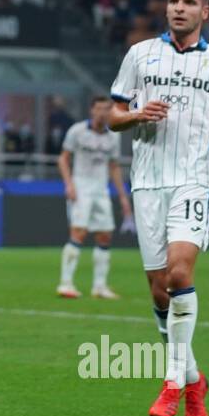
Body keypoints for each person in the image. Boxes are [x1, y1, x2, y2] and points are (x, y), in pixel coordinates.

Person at [108, 0, 209, 416]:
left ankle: (172, 383)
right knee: (157, 290)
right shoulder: (140, 54)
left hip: (193, 179)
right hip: (147, 181)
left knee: (179, 273)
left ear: (204, 11)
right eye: (173, 0)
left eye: (189, 2)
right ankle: (195, 380)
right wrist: (134, 115)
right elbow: (112, 118)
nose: (179, 8)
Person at [57, 96, 131, 299]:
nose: (103, 113)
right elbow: (63, 159)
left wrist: (123, 197)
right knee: (78, 232)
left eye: (107, 109)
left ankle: (99, 286)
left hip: (101, 189)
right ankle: (65, 283)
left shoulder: (112, 136)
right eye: (99, 108)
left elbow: (114, 166)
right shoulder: (77, 131)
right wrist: (69, 184)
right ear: (91, 110)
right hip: (81, 187)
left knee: (105, 234)